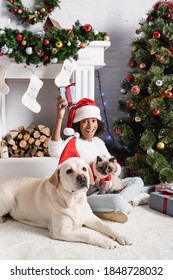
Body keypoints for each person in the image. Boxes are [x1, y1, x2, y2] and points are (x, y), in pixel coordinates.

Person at [48, 97, 150, 223]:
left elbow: (114, 170)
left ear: (98, 123)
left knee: (137, 180)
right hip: (87, 194)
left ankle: (110, 208)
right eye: (84, 121)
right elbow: (54, 150)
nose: (90, 126)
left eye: (93, 121)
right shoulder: (74, 141)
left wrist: (115, 167)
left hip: (106, 187)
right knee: (116, 201)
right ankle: (129, 202)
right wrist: (59, 118)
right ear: (78, 124)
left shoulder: (99, 142)